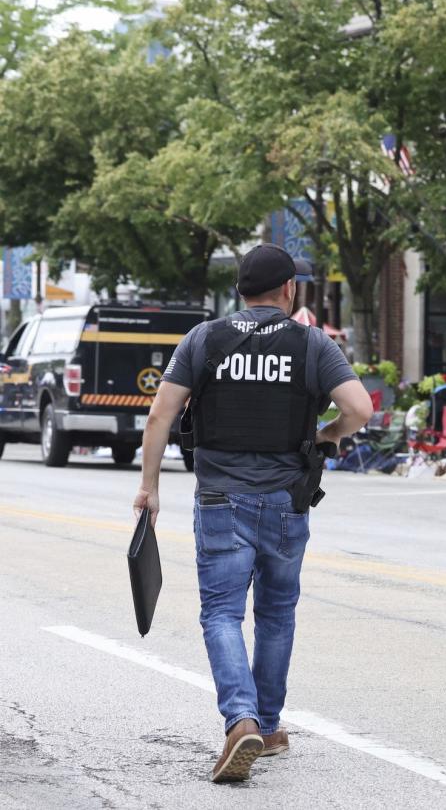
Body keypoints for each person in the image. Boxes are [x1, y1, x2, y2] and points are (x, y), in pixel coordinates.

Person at [132, 244, 373, 783]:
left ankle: (240, 719)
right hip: (288, 502)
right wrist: (327, 434)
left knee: (221, 613)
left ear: (239, 290)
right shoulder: (312, 344)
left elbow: (159, 417)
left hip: (219, 499)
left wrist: (149, 487)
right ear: (289, 290)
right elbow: (360, 409)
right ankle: (265, 723)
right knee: (277, 613)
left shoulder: (204, 339)